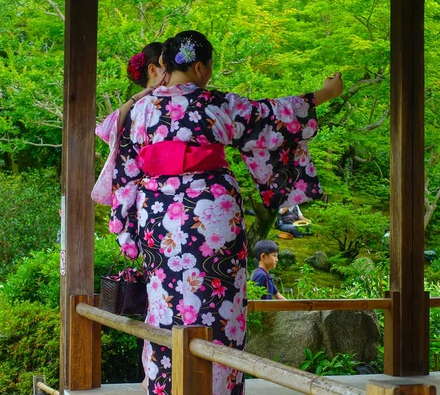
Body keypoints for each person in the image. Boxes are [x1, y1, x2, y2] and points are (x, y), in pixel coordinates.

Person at [98, 30, 343, 394]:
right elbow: (275, 116)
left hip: (157, 214)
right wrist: (325, 93)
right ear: (199, 67)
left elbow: (125, 170)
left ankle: (167, 384)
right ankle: (218, 387)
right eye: (209, 67)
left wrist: (123, 225)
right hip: (211, 211)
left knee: (165, 303)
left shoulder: (139, 110)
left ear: (165, 65)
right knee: (219, 300)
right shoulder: (218, 104)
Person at [92, 42, 168, 205]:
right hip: (144, 183)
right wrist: (139, 96)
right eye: (167, 70)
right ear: (153, 69)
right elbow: (104, 131)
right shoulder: (139, 106)